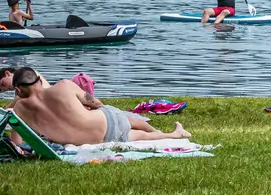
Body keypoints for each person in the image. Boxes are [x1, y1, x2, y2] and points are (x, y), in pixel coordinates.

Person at [6, 67, 189, 145]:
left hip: (85, 141)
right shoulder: (64, 86)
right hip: (106, 125)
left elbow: (17, 144)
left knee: (135, 134)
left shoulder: (20, 109)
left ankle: (172, 135)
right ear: (38, 80)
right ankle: (167, 134)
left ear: (18, 90)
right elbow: (96, 103)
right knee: (124, 118)